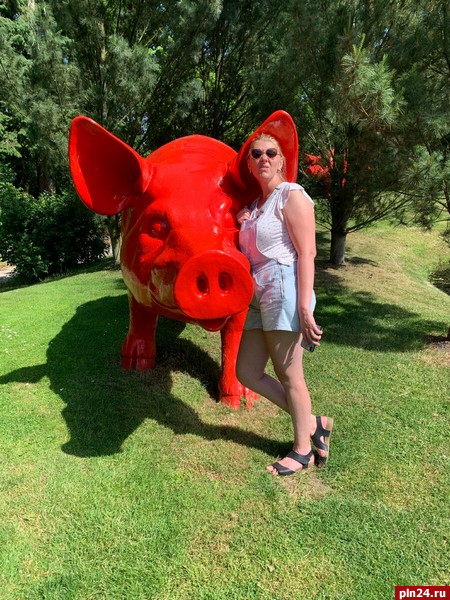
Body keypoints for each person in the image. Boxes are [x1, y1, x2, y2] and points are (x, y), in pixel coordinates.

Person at [236, 133, 333, 476]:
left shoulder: (291, 195)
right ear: (250, 164)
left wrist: (305, 307)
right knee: (246, 371)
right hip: (256, 293)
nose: (263, 157)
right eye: (256, 153)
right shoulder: (254, 207)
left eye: (270, 152)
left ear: (281, 161)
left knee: (290, 375)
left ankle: (302, 450)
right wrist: (244, 221)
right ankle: (314, 423)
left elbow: (307, 252)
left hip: (282, 287)